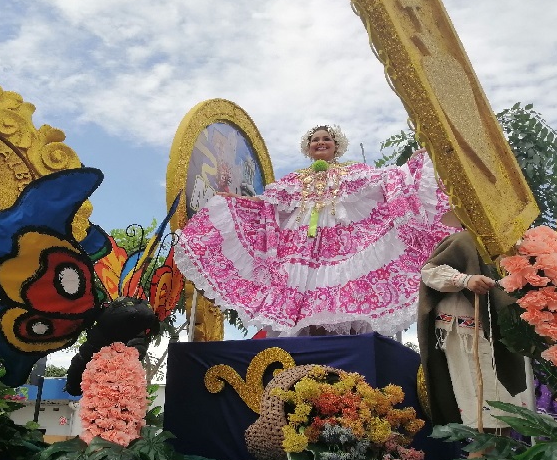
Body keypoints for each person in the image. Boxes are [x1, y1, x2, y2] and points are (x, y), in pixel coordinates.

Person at [174, 124, 458, 337]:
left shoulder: (352, 171)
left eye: (326, 139)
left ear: (336, 146)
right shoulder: (295, 179)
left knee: (342, 289)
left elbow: (385, 180)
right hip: (300, 247)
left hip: (342, 243)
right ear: (308, 148)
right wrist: (237, 202)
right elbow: (269, 203)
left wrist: (416, 163)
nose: (320, 143)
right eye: (315, 140)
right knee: (301, 294)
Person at [417, 230, 528, 439]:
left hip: (497, 335)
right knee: (482, 418)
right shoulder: (464, 239)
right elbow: (429, 272)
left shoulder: (510, 247)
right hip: (465, 335)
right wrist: (464, 279)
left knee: (502, 418)